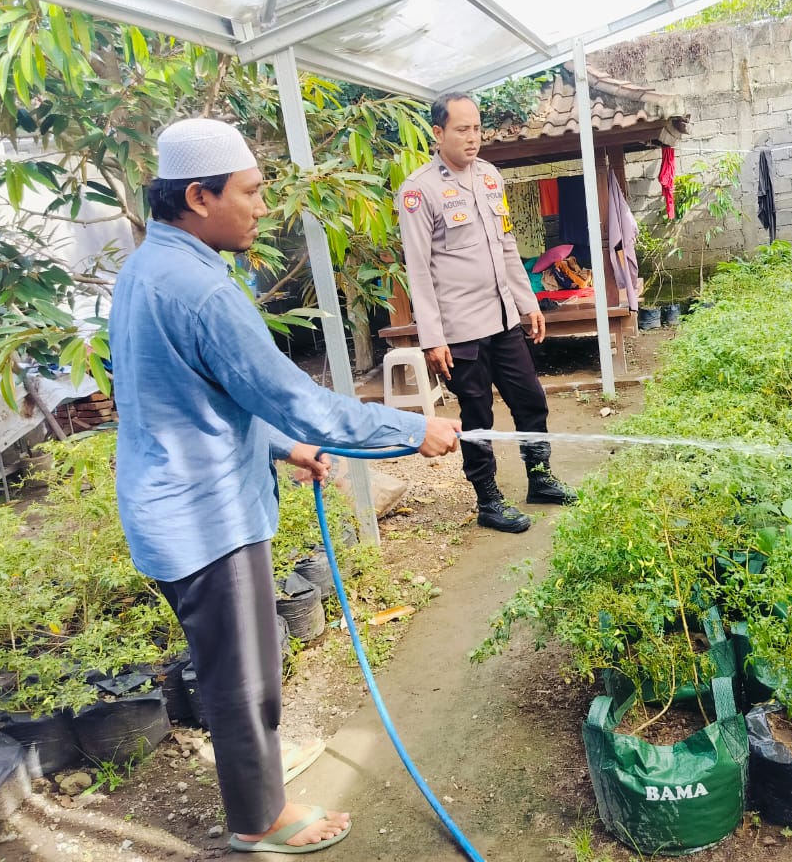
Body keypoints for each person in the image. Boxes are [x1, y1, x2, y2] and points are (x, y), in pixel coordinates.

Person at [110, 118, 461, 855]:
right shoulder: (201, 291)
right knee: (243, 680)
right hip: (205, 519)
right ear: (200, 196)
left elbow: (198, 397)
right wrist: (409, 430)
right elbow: (295, 398)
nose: (263, 208)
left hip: (176, 502)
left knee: (243, 665)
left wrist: (283, 447)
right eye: (251, 192)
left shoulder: (150, 268)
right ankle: (257, 821)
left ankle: (257, 782)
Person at [397, 93, 577, 533]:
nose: (472, 138)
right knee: (478, 417)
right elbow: (418, 271)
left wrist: (527, 302)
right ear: (438, 134)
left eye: (477, 128)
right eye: (462, 129)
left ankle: (540, 478)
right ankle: (488, 501)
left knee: (530, 398)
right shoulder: (418, 191)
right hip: (459, 331)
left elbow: (507, 246)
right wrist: (433, 338)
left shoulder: (490, 177)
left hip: (502, 319)